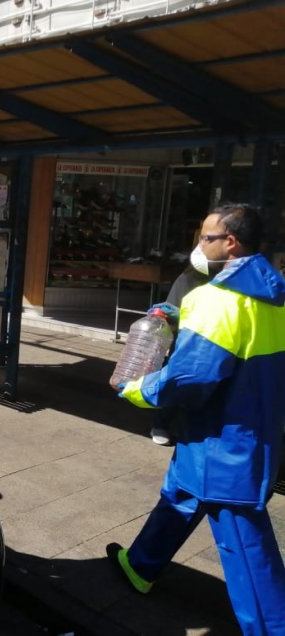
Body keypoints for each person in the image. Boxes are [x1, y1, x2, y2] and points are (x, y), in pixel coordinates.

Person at [109, 203, 285, 635]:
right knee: (179, 497)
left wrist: (138, 390)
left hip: (222, 444)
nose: (198, 246)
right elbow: (236, 342)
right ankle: (139, 565)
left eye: (206, 237)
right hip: (247, 432)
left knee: (246, 549)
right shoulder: (274, 297)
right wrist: (179, 315)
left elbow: (190, 378)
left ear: (231, 243)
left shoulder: (216, 300)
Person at [147, 264, 208, 445]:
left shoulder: (233, 280)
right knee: (176, 380)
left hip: (216, 343)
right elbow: (170, 314)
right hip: (187, 341)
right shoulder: (189, 278)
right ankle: (161, 424)